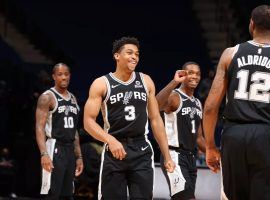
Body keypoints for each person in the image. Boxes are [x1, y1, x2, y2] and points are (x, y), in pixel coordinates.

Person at [83, 36, 175, 200]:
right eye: (129, 53)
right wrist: (110, 140)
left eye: (137, 54)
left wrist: (167, 155)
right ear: (117, 56)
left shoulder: (146, 81)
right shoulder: (102, 83)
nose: (134, 57)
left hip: (141, 149)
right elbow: (88, 122)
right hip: (115, 149)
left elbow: (155, 119)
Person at [203, 5, 270, 200]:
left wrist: (209, 146)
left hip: (234, 135)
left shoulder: (230, 53)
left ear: (251, 24)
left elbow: (209, 107)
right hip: (265, 133)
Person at [156, 62, 205, 200]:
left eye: (197, 73)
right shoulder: (174, 96)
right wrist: (174, 82)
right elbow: (156, 105)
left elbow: (199, 138)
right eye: (190, 72)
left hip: (191, 158)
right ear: (183, 74)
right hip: (174, 155)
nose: (194, 76)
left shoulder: (197, 103)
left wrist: (214, 155)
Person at [35, 63, 83, 200]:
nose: (64, 77)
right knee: (52, 193)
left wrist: (79, 156)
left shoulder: (73, 98)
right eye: (60, 74)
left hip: (69, 150)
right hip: (54, 147)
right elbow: (39, 128)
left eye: (66, 74)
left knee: (68, 194)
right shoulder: (47, 97)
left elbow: (74, 130)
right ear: (54, 77)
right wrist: (44, 153)